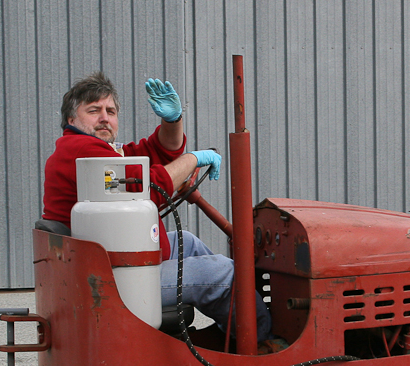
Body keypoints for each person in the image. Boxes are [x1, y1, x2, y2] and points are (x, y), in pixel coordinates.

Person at [41, 71, 278, 348]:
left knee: (186, 242)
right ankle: (262, 345)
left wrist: (172, 121)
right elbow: (150, 189)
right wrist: (192, 159)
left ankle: (233, 333)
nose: (105, 117)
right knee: (224, 274)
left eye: (111, 111)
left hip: (110, 261)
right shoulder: (82, 151)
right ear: (71, 120)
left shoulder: (98, 151)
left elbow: (153, 152)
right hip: (112, 280)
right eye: (94, 111)